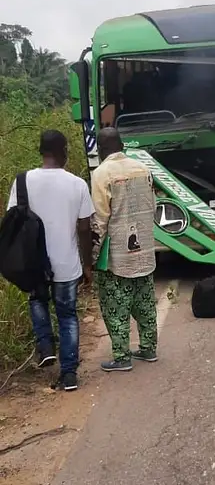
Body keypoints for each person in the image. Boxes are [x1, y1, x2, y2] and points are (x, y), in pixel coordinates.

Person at [7, 130, 94, 391]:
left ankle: (45, 346)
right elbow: (84, 228)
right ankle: (69, 375)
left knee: (36, 300)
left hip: (33, 262)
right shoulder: (77, 184)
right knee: (67, 315)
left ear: (41, 151)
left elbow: (13, 219)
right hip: (66, 263)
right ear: (63, 151)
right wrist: (87, 264)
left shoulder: (22, 181)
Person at [91, 128, 158, 371]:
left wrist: (93, 255)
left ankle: (122, 357)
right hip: (145, 250)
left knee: (115, 306)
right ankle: (148, 348)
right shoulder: (143, 168)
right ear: (122, 145)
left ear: (100, 149)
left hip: (118, 254)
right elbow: (153, 205)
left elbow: (100, 219)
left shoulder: (101, 174)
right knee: (145, 302)